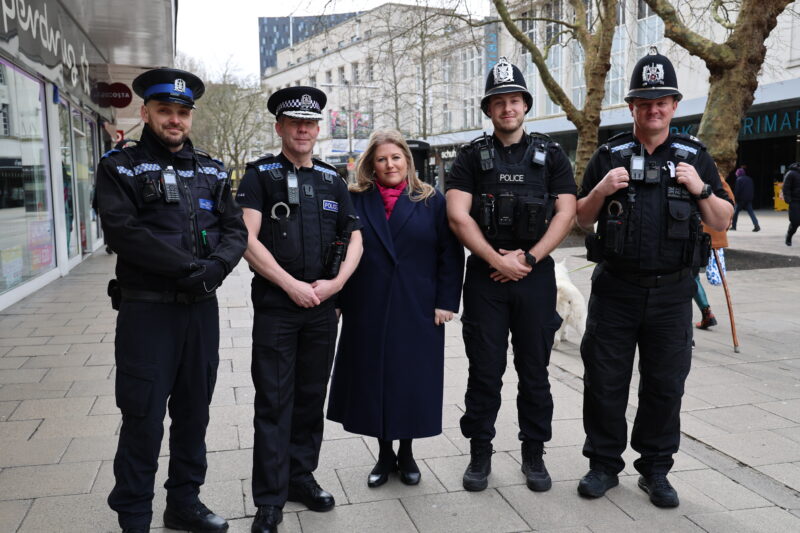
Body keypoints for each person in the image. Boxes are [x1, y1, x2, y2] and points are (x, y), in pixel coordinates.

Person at [575, 48, 733, 508]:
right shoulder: (609, 154)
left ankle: (656, 469)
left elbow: (722, 219)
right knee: (604, 382)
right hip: (616, 290)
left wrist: (699, 187)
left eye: (661, 100)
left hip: (671, 294)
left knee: (665, 385)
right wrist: (602, 190)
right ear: (632, 107)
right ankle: (603, 465)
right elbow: (582, 219)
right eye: (644, 101)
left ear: (675, 105)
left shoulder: (695, 155)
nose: (653, 108)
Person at [96, 67, 247, 533]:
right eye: (165, 111)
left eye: (182, 112)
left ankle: (184, 501)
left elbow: (234, 229)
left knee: (193, 411)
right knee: (142, 416)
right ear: (145, 112)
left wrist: (217, 268)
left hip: (199, 311)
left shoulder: (212, 168)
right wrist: (188, 270)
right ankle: (134, 516)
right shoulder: (119, 166)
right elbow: (125, 232)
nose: (175, 120)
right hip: (148, 312)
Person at [446, 57, 577, 493]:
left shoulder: (552, 154)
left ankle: (533, 454)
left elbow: (566, 212)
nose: (507, 108)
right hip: (486, 279)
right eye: (499, 101)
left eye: (514, 100)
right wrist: (495, 260)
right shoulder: (470, 157)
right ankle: (479, 454)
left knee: (535, 371)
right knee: (484, 371)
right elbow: (457, 216)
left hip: (535, 278)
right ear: (488, 109)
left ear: (526, 105)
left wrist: (531, 259)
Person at [236, 86, 363, 533]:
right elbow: (246, 240)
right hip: (277, 307)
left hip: (321, 309)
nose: (304, 130)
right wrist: (291, 286)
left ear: (318, 128)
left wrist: (335, 286)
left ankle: (300, 478)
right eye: (295, 123)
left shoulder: (332, 179)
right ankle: (269, 498)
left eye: (310, 123)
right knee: (274, 401)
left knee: (310, 397)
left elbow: (355, 237)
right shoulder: (259, 177)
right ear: (280, 128)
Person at [327, 129, 464, 488]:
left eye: (396, 157)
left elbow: (449, 254)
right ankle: (384, 454)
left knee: (411, 381)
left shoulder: (431, 200)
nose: (390, 164)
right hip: (367, 303)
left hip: (417, 305)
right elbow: (339, 248)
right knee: (373, 380)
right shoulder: (355, 198)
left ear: (408, 161)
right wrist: (338, 299)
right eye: (382, 159)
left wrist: (446, 302)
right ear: (371, 164)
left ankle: (406, 452)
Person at [694, 179, 735, 330]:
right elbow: (730, 200)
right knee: (690, 275)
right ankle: (706, 313)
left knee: (689, 275)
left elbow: (728, 203)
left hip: (699, 233)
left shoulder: (706, 169)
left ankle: (706, 312)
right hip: (709, 234)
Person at [731, 167, 759, 231]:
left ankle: (734, 226)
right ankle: (756, 225)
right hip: (748, 199)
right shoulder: (749, 179)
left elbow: (737, 190)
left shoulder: (739, 180)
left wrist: (735, 198)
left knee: (735, 213)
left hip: (741, 199)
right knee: (751, 213)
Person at [783, 162, 800, 246]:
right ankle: (789, 236)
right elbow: (786, 187)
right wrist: (788, 199)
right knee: (795, 221)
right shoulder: (791, 173)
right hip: (795, 201)